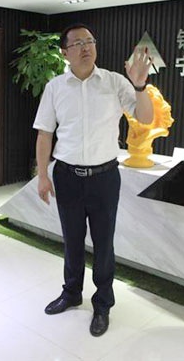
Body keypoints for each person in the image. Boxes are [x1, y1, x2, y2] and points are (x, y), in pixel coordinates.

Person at [34, 23, 154, 337]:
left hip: (104, 177)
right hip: (67, 176)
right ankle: (72, 293)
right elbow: (45, 133)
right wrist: (42, 175)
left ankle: (102, 304)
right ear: (65, 53)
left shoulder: (115, 82)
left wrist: (140, 86)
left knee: (103, 243)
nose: (86, 47)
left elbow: (145, 118)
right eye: (77, 43)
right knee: (72, 240)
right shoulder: (55, 88)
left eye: (89, 41)